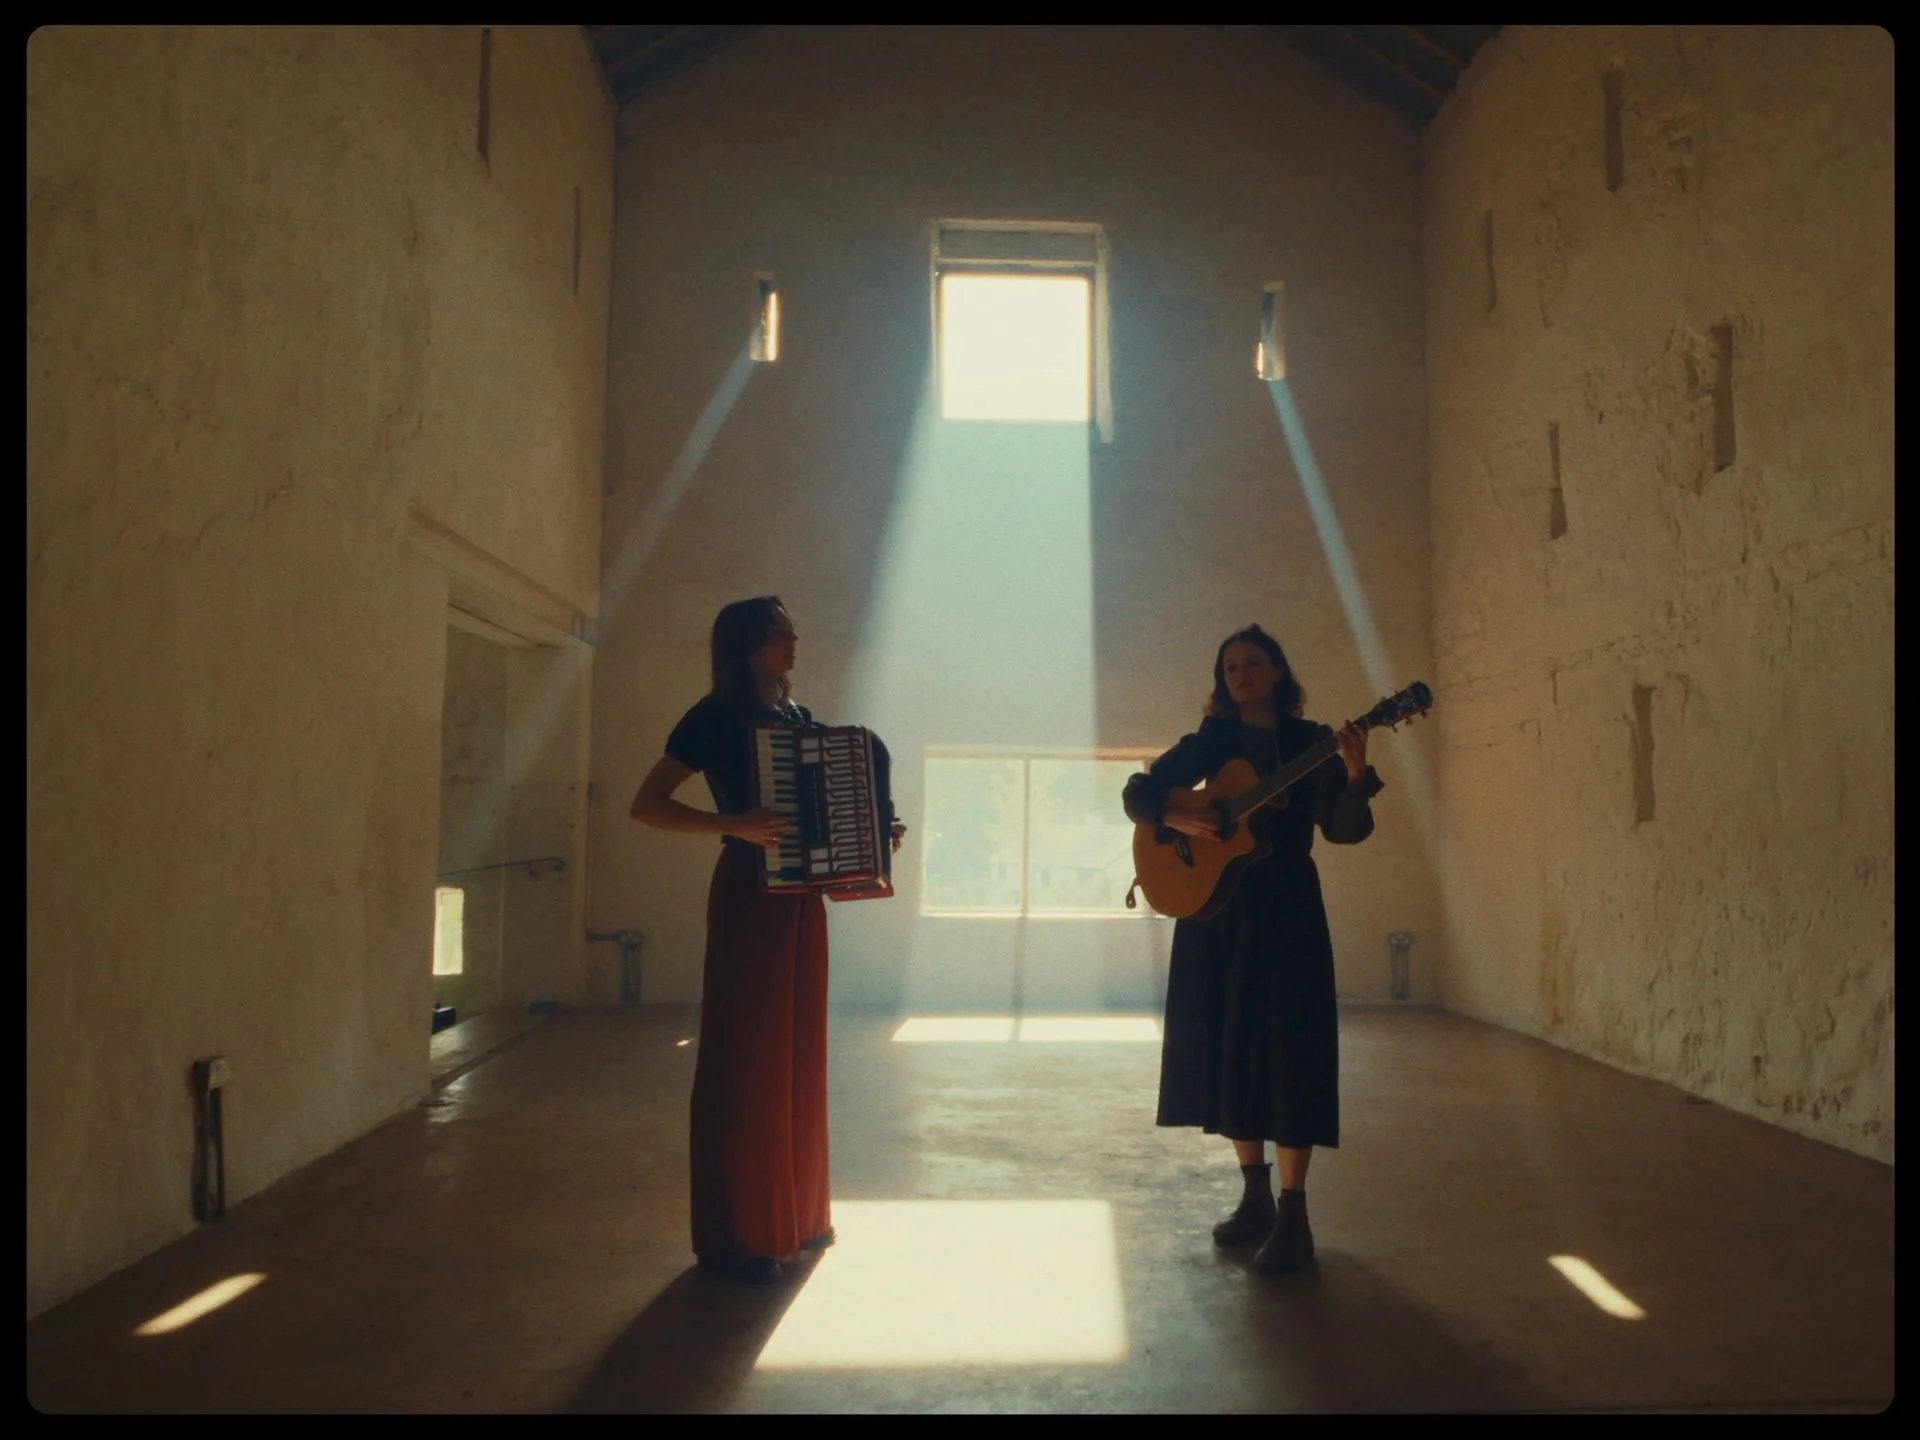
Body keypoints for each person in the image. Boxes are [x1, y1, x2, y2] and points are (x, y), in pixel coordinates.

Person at [629, 596, 905, 1284]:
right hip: (750, 896)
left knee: (796, 1054)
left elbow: (820, 817)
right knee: (746, 1060)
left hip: (801, 903)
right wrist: (736, 826)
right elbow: (648, 804)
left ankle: (796, 1220)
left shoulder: (798, 719)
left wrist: (873, 835)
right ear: (748, 643)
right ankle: (742, 1237)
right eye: (782, 632)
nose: (794, 640)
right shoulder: (711, 715)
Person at [1121, 624, 1382, 1274]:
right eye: (1230, 665)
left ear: (1276, 671)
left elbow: (1346, 832)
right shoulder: (1212, 742)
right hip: (1218, 916)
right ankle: (1254, 1198)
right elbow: (1139, 791)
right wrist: (1176, 817)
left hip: (1288, 912)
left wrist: (1353, 774)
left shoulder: (1310, 742)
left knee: (1291, 1053)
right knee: (1230, 1047)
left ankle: (1294, 1214)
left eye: (1253, 663)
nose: (1241, 673)